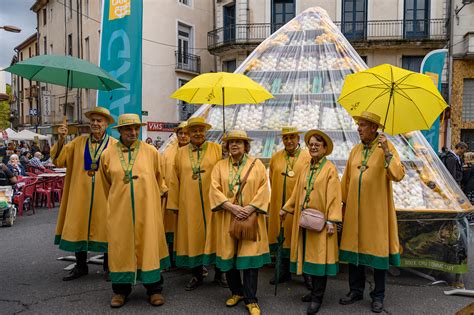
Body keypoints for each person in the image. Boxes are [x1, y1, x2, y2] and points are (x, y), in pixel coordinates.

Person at [99, 113, 169, 308]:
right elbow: (106, 185)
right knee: (121, 248)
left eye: (135, 128)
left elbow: (158, 178)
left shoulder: (151, 152)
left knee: (149, 247)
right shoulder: (107, 154)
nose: (132, 132)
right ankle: (121, 291)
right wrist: (117, 201)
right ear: (120, 130)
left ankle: (154, 289)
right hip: (120, 211)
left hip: (147, 210)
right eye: (128, 128)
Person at [339, 111, 405, 313]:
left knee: (377, 254)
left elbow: (398, 174)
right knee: (354, 251)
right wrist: (341, 205)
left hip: (376, 213)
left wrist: (386, 151)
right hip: (354, 212)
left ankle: (378, 295)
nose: (358, 128)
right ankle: (355, 290)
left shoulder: (387, 147)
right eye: (358, 124)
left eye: (363, 125)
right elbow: (347, 180)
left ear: (374, 128)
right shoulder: (355, 150)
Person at [204, 130, 270, 315]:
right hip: (227, 217)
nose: (234, 145)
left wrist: (250, 208)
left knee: (249, 259)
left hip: (250, 218)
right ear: (226, 146)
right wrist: (231, 208)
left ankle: (251, 299)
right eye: (231, 142)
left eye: (239, 142)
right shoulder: (219, 166)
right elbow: (214, 189)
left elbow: (264, 189)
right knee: (229, 257)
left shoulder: (257, 165)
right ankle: (236, 292)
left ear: (246, 145)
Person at [50, 106, 117, 281]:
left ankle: (109, 267)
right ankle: (81, 266)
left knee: (107, 227)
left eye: (99, 121)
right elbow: (58, 160)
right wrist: (61, 139)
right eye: (93, 120)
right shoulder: (78, 142)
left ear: (106, 124)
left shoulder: (115, 145)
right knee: (79, 225)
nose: (95, 123)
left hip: (105, 193)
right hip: (80, 193)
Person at [281, 130, 342, 314]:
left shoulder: (330, 168)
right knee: (308, 256)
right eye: (311, 144)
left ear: (325, 149)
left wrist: (332, 220)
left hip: (321, 223)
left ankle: (317, 297)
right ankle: (314, 292)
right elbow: (297, 192)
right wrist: (286, 207)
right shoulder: (306, 167)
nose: (313, 147)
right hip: (305, 220)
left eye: (317, 144)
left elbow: (334, 196)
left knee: (318, 259)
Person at [167, 117, 225, 290]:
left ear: (205, 131)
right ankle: (196, 275)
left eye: (201, 130)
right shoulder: (180, 153)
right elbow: (174, 180)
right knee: (192, 237)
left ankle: (220, 274)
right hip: (189, 204)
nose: (198, 133)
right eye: (194, 130)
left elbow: (226, 172)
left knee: (216, 236)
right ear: (189, 133)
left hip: (213, 203)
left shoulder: (217, 149)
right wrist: (174, 204)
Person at [268, 126, 311, 286]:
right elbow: (271, 178)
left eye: (292, 137)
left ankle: (306, 274)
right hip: (279, 203)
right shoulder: (276, 157)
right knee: (281, 237)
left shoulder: (307, 157)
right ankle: (282, 271)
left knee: (299, 237)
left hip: (299, 206)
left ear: (298, 139)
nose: (289, 141)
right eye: (286, 138)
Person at [161, 121, 190, 267]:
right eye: (180, 133)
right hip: (169, 195)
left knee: (186, 228)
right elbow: (159, 173)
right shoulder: (167, 152)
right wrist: (164, 189)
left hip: (187, 197)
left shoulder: (194, 152)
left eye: (186, 133)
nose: (183, 136)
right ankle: (172, 258)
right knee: (170, 228)